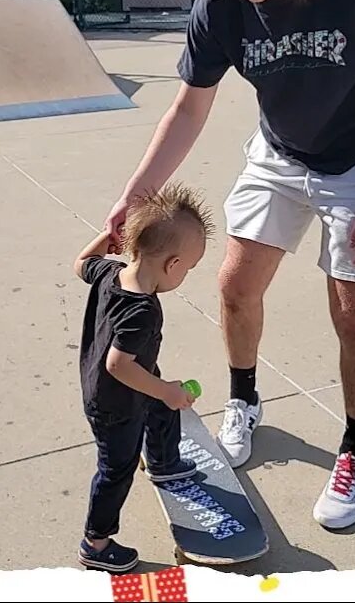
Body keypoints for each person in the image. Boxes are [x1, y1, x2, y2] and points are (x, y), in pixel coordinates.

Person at [103, 0, 355, 530]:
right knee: (234, 285)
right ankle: (244, 401)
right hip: (280, 154)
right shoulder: (222, 3)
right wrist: (134, 193)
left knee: (354, 315)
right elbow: (188, 109)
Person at [73, 182, 214, 573]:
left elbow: (80, 262)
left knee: (162, 402)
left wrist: (107, 236)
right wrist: (166, 391)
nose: (186, 274)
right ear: (172, 265)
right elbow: (118, 365)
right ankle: (95, 543)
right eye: (189, 267)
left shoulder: (109, 271)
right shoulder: (141, 312)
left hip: (128, 380)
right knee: (116, 469)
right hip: (115, 402)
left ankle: (164, 461)